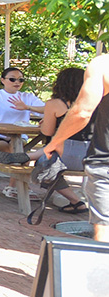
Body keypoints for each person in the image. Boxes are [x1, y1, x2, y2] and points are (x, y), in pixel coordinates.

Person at [0, 67, 90, 213]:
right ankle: (28, 156)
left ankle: (76, 201)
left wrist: (45, 123)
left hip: (65, 156)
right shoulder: (95, 104)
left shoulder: (56, 104)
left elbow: (47, 132)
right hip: (92, 157)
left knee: (43, 166)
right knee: (53, 149)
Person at [42, 53, 109, 242]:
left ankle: (75, 200)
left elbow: (81, 112)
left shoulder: (103, 65)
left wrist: (55, 141)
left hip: (100, 159)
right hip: (91, 152)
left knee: (105, 230)